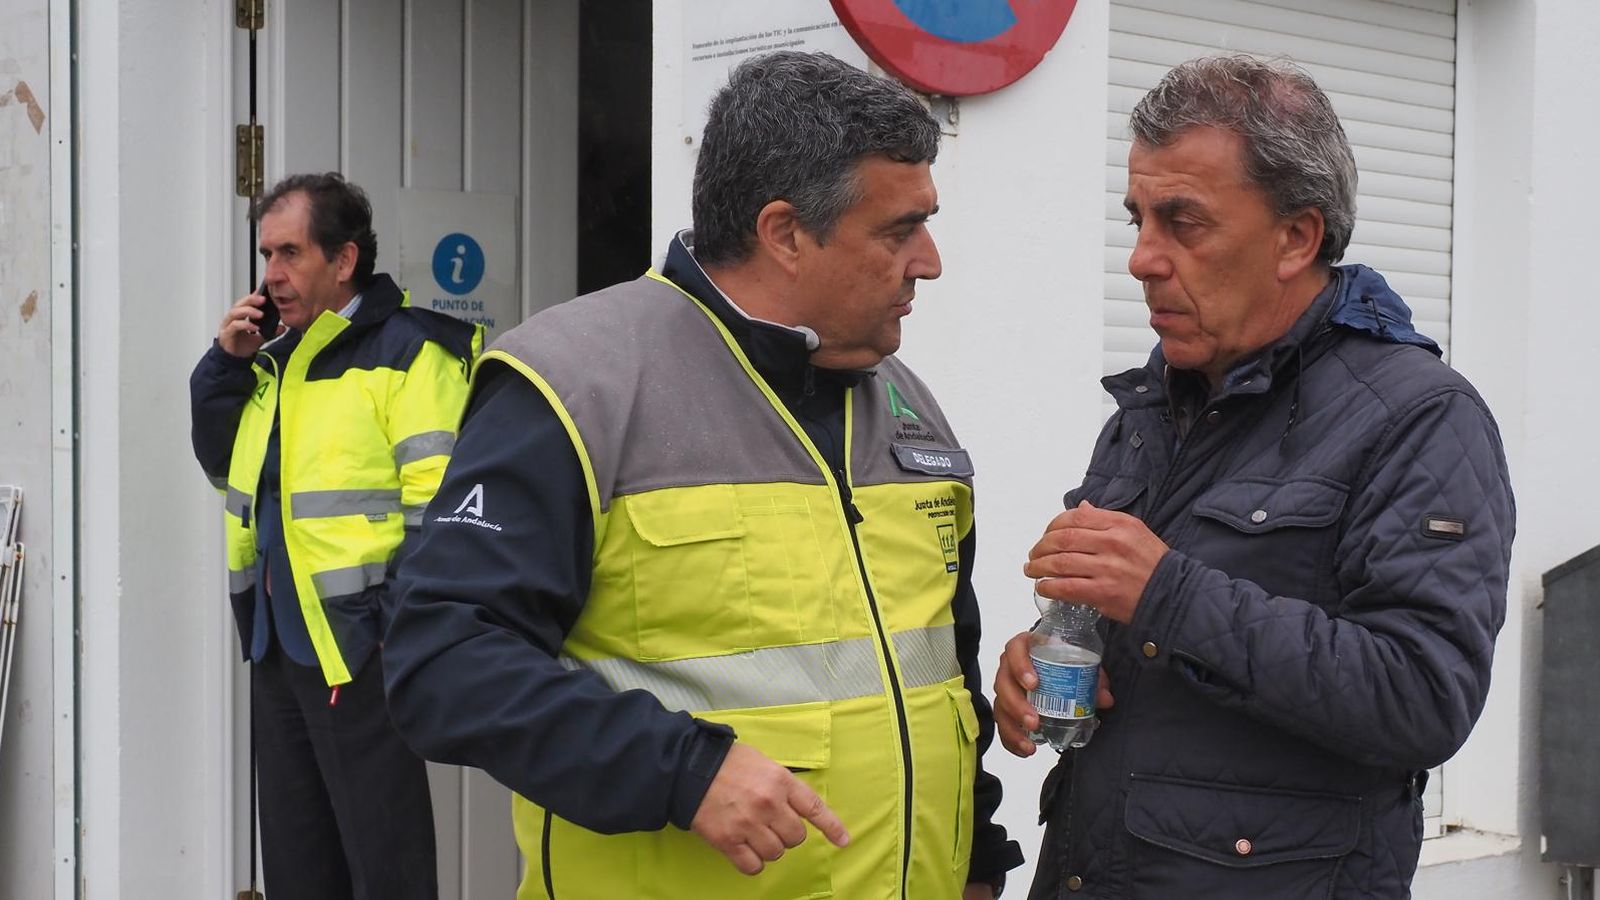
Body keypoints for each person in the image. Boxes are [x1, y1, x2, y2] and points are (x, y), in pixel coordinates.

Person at [382, 51, 1022, 900]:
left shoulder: (909, 408)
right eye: (899, 230)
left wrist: (974, 856)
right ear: (786, 233)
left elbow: (944, 668)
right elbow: (441, 662)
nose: (930, 261)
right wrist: (680, 770)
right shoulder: (574, 385)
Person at [993, 56, 1515, 899]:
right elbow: (1123, 625)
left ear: (1296, 238)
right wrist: (1045, 660)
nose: (1142, 260)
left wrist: (1165, 594)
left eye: (1183, 223)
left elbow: (1423, 699)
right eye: (1137, 220)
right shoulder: (1149, 407)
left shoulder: (1419, 418)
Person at [190, 172, 482, 900]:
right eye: (266, 255)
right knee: (297, 864)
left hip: (359, 652)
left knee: (384, 864)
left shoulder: (412, 353)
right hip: (278, 649)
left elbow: (441, 512)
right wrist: (223, 365)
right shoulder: (270, 360)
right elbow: (225, 464)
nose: (272, 275)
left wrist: (392, 632)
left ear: (344, 259)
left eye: (289, 253)